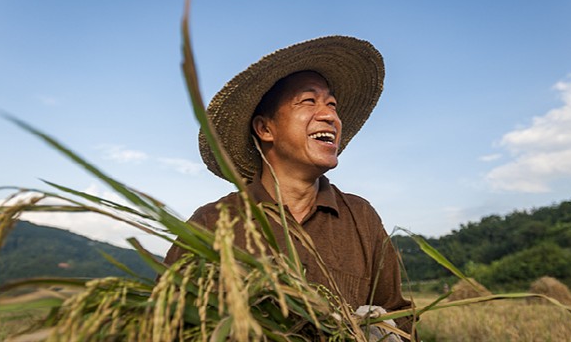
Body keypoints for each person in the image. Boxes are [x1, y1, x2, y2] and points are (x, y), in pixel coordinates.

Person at [164, 36, 415, 340]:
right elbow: (166, 321)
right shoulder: (213, 224)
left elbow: (400, 318)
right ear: (265, 128)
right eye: (309, 101)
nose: (331, 116)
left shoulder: (360, 218)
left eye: (332, 105)